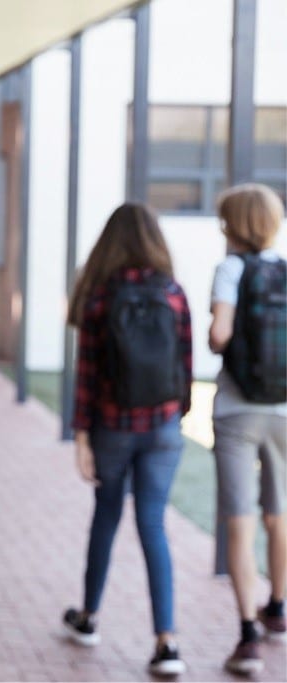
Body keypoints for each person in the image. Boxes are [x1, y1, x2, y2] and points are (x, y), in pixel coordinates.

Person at [61, 202, 192, 677]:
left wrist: (81, 437)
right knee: (153, 526)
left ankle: (90, 617)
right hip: (162, 428)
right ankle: (167, 643)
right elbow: (186, 367)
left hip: (112, 428)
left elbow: (88, 377)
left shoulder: (99, 298)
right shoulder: (174, 293)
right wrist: (174, 421)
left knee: (107, 517)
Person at [207, 183, 286, 675]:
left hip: (238, 411)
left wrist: (219, 341)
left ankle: (247, 634)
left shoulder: (230, 270)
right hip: (284, 410)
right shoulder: (285, 269)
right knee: (280, 514)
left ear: (232, 225)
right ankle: (278, 607)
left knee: (238, 518)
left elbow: (220, 334)